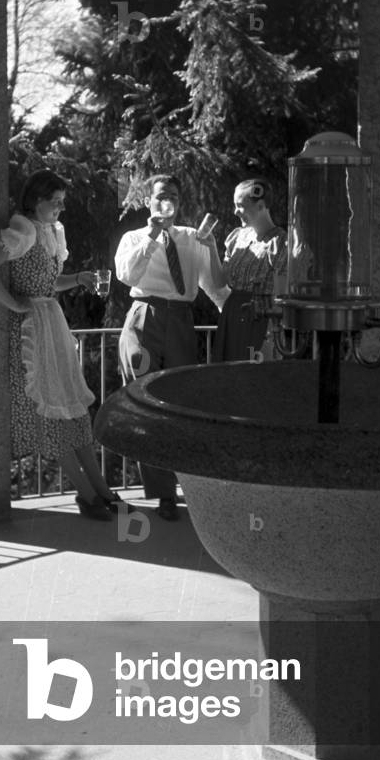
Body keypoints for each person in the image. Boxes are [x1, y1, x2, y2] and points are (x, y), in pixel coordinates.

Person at [0, 168, 131, 521]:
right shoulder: (23, 229)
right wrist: (14, 304)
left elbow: (48, 282)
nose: (61, 208)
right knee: (51, 415)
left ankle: (103, 491)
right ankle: (88, 495)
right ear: (36, 201)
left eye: (63, 202)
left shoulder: (51, 231)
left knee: (73, 413)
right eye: (55, 202)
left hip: (52, 324)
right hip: (31, 331)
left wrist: (77, 278)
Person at [114, 174, 229, 521]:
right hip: (143, 318)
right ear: (150, 200)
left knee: (180, 405)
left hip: (180, 321)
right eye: (162, 195)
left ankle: (188, 486)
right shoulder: (133, 237)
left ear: (180, 202)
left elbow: (217, 288)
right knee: (145, 405)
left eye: (175, 195)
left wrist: (238, 318)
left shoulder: (195, 237)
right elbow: (127, 276)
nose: (168, 201)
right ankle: (162, 493)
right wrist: (151, 234)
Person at [211, 178, 288, 363]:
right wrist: (211, 246)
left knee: (256, 378)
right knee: (228, 375)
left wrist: (272, 327)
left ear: (261, 206)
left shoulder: (280, 242)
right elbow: (220, 282)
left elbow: (281, 296)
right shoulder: (237, 237)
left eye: (240, 206)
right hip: (232, 314)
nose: (235, 211)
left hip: (260, 318)